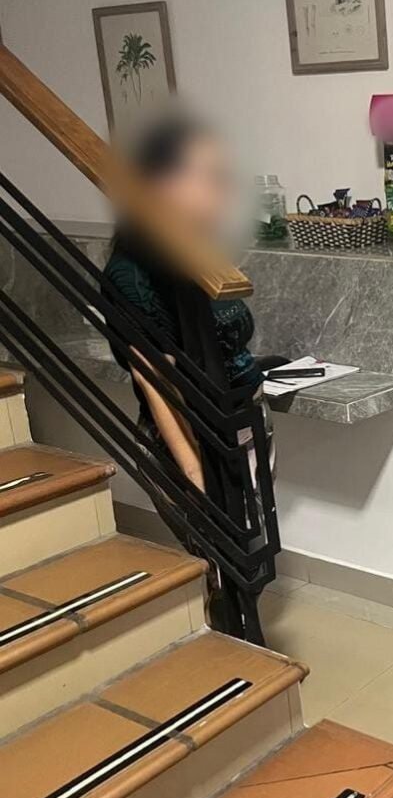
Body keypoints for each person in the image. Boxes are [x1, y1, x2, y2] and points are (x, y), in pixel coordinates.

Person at [102, 113, 275, 638]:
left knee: (250, 552)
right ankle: (230, 650)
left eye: (220, 176)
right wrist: (199, 479)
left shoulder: (195, 249)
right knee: (218, 557)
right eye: (203, 176)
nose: (218, 191)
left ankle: (240, 642)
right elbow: (156, 385)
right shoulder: (132, 276)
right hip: (189, 435)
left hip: (241, 423)